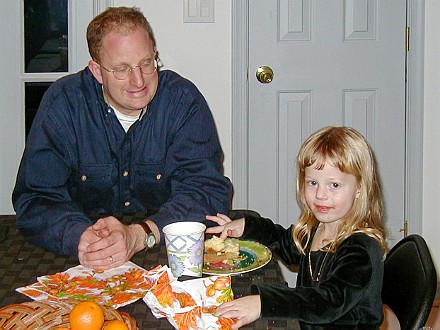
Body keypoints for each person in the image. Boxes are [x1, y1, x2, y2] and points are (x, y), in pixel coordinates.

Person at [12, 6, 231, 270]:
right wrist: (82, 237)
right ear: (96, 70)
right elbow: (36, 198)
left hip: (163, 250)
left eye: (146, 63)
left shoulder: (183, 102)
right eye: (121, 69)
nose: (138, 80)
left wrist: (141, 234)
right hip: (83, 256)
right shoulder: (63, 105)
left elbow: (207, 191)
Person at [206, 126, 388, 329]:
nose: (320, 194)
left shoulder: (360, 250)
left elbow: (326, 303)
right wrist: (247, 226)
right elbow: (285, 243)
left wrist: (263, 303)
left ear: (360, 188)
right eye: (312, 182)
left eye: (334, 185)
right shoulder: (318, 228)